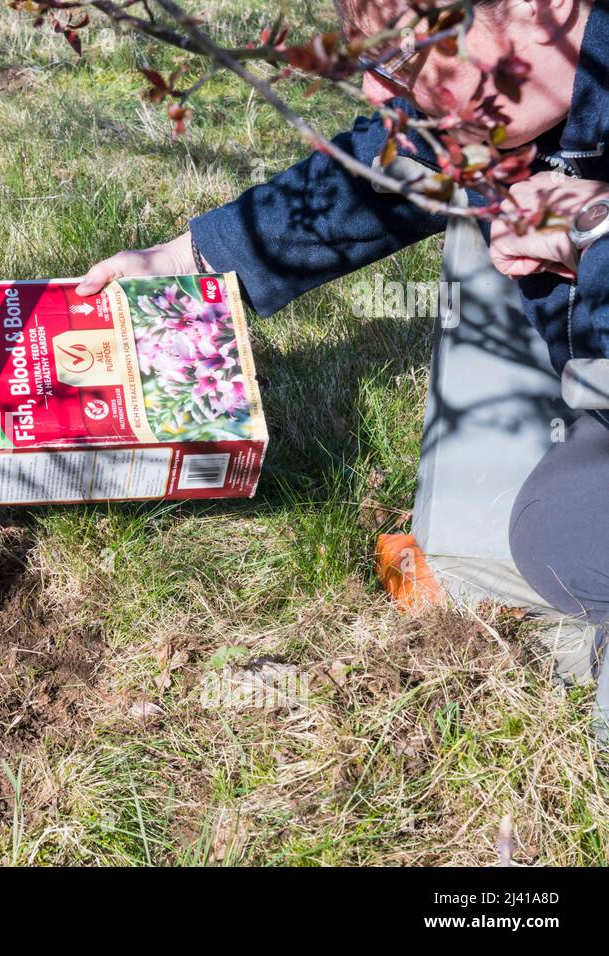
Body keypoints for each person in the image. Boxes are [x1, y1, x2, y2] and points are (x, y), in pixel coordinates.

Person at [77, 0, 609, 726]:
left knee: (574, 543)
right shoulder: (489, 114)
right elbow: (385, 173)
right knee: (560, 531)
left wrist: (596, 235)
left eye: (402, 59)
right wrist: (187, 261)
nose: (375, 91)